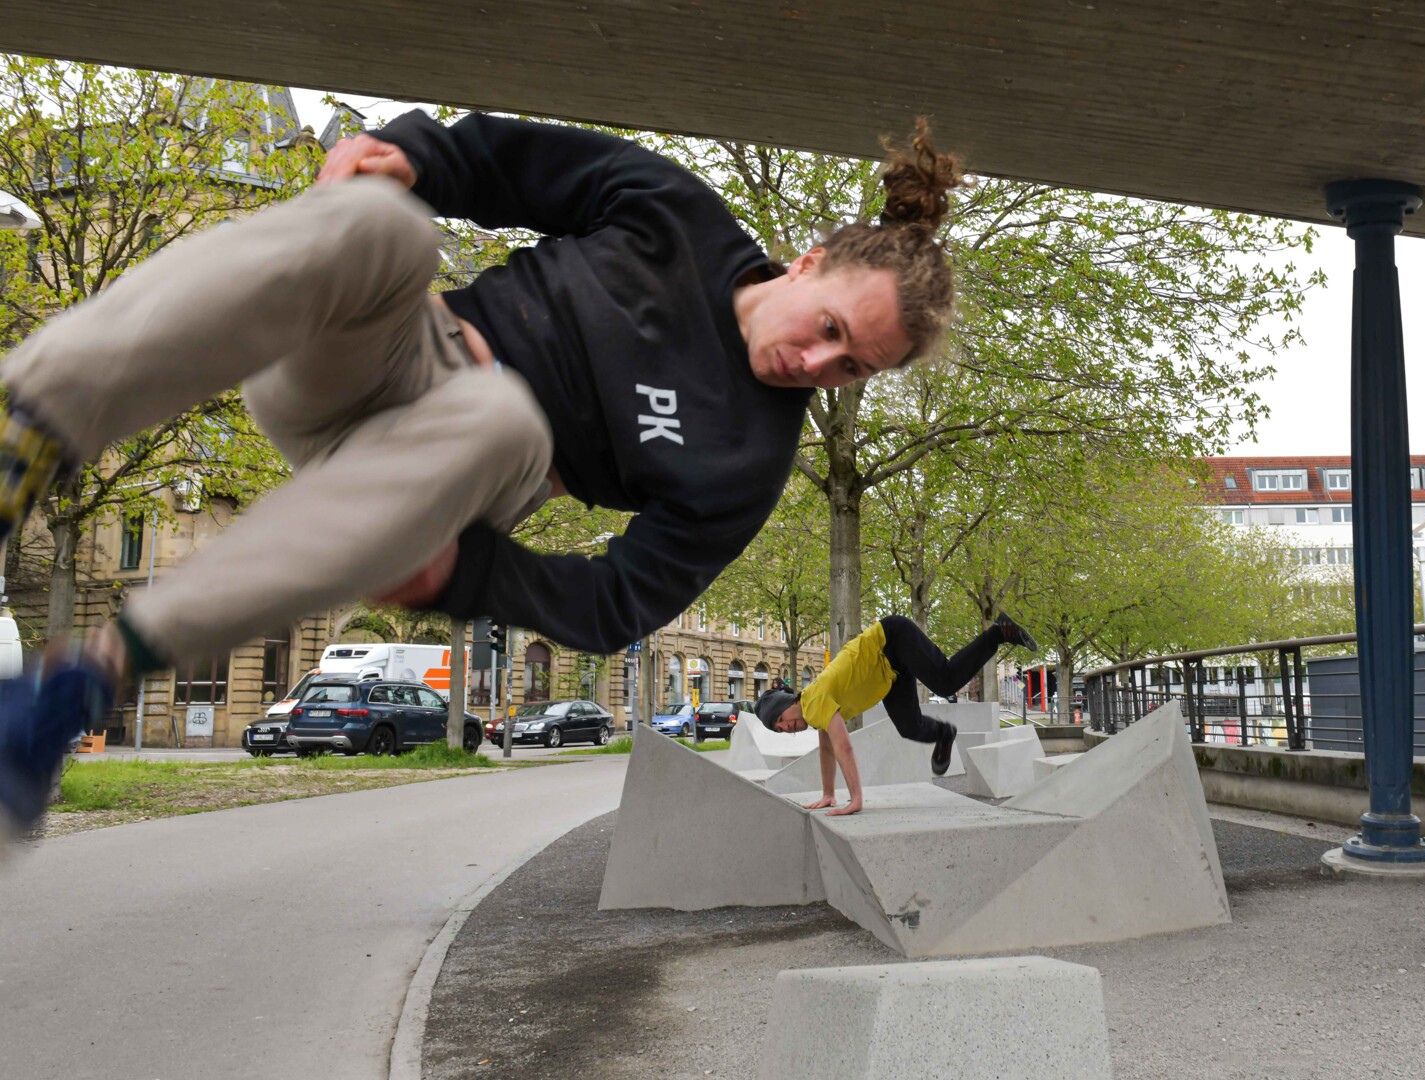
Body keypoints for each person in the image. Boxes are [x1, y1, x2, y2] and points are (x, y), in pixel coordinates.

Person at [0, 111, 965, 850]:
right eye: (830, 328)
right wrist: (407, 153)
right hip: (375, 358)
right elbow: (511, 161)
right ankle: (31, 427)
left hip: (450, 474)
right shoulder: (680, 217)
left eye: (850, 370)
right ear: (810, 262)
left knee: (505, 414)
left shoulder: (746, 462)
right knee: (391, 228)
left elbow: (623, 599)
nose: (815, 364)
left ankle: (77, 687)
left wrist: (469, 580)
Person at [753, 614, 1037, 817]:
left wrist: (856, 799)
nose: (786, 728)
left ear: (788, 703)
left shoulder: (812, 702)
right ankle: (944, 733)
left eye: (781, 720)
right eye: (780, 730)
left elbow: (843, 746)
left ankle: (999, 632)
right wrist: (828, 794)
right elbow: (826, 749)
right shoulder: (814, 710)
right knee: (909, 726)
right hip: (890, 672)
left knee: (946, 681)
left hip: (892, 640)